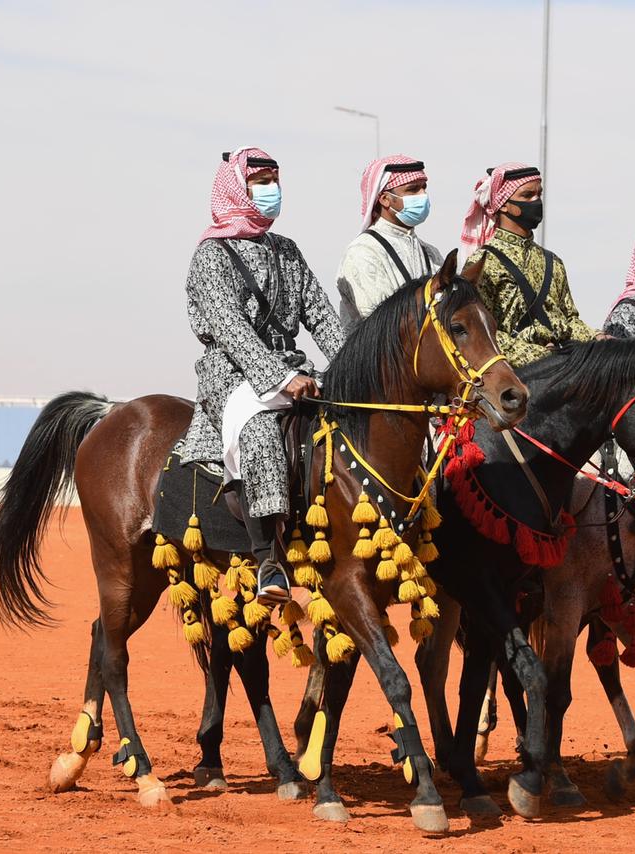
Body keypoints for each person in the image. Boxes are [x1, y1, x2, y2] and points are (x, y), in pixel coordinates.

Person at [180, 147, 345, 604]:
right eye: (262, 182)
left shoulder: (287, 251)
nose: (272, 191)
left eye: (275, 180)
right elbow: (230, 329)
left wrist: (354, 367)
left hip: (290, 365)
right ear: (238, 189)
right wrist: (278, 379)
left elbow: (322, 315)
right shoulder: (210, 256)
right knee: (258, 432)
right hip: (232, 375)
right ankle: (267, 559)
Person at [460, 162, 598, 366]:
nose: (536, 201)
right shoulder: (483, 263)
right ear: (503, 203)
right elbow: (480, 332)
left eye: (539, 195)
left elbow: (569, 321)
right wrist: (541, 357)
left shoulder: (553, 262)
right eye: (527, 196)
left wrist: (599, 338)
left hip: (560, 369)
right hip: (513, 379)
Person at [335, 154, 443, 326]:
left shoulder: (430, 253)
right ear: (385, 199)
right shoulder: (363, 252)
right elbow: (383, 323)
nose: (423, 195)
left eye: (424, 187)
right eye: (413, 189)